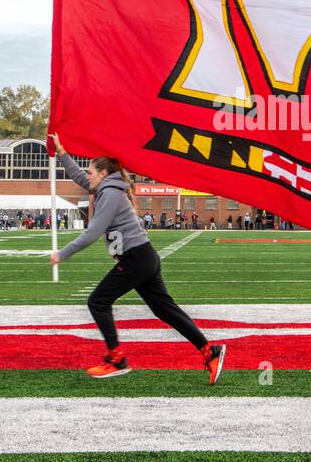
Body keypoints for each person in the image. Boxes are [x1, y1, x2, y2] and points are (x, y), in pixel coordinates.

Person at [49, 133, 226, 383]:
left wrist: (62, 254)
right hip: (143, 257)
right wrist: (62, 152)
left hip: (136, 259)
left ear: (102, 174)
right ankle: (211, 351)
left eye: (91, 172)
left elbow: (93, 232)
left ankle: (117, 359)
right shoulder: (106, 188)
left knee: (97, 301)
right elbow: (81, 178)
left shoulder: (109, 194)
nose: (87, 176)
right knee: (166, 311)